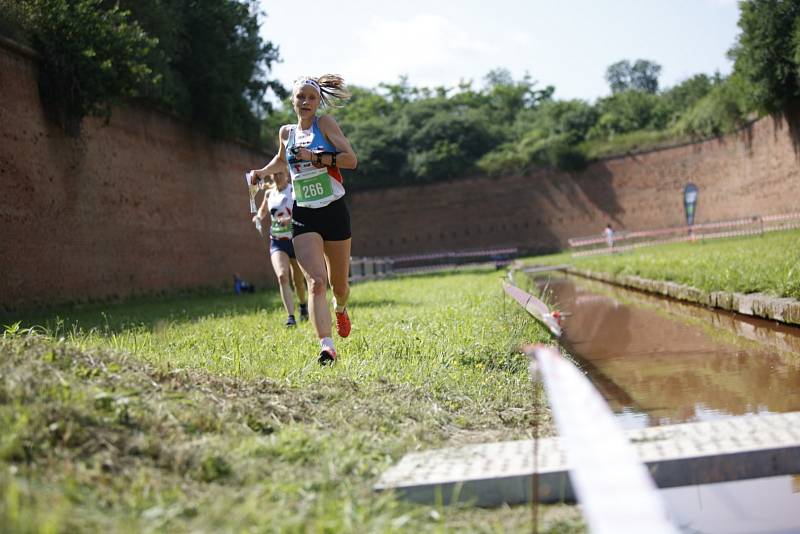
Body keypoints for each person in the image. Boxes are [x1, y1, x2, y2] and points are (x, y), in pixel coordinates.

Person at [249, 75, 357, 365]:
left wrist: (319, 158)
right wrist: (260, 173)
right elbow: (281, 161)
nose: (305, 102)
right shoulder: (286, 132)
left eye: (311, 97)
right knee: (317, 282)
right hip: (305, 213)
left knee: (339, 285)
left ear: (318, 101)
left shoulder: (326, 125)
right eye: (300, 97)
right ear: (293, 101)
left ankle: (341, 308)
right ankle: (326, 346)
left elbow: (350, 159)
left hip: (333, 209)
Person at [253, 170, 308, 327]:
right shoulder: (269, 194)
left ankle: (303, 306)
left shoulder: (293, 190)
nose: (277, 177)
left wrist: (289, 220)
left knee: (298, 281)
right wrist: (258, 217)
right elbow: (263, 210)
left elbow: (303, 211)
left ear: (287, 175)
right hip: (277, 241)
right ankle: (291, 317)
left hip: (295, 240)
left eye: (280, 174)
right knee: (282, 276)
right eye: (274, 174)